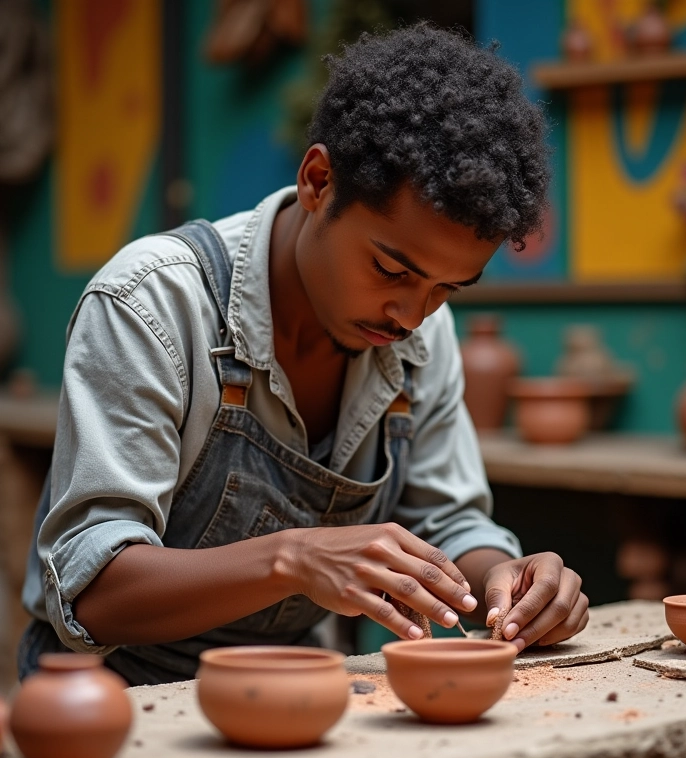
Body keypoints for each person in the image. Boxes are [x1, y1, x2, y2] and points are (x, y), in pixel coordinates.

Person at [19, 23, 588, 686]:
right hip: (113, 698)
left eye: (447, 287)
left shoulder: (424, 333)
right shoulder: (152, 304)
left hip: (296, 686)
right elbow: (91, 593)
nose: (411, 316)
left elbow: (450, 522)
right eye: (391, 269)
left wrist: (508, 578)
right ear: (319, 181)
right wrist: (292, 558)